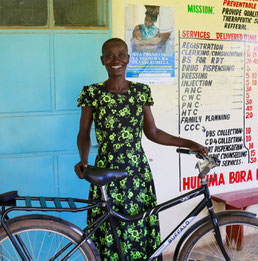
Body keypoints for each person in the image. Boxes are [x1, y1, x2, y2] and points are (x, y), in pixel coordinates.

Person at [75, 38, 207, 261]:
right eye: (109, 55)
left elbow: (153, 132)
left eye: (121, 54)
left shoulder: (140, 92)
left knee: (138, 223)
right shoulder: (92, 93)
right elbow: (84, 133)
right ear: (102, 61)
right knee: (109, 228)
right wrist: (84, 160)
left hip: (137, 171)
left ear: (128, 58)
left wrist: (189, 143)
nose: (115, 60)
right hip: (106, 170)